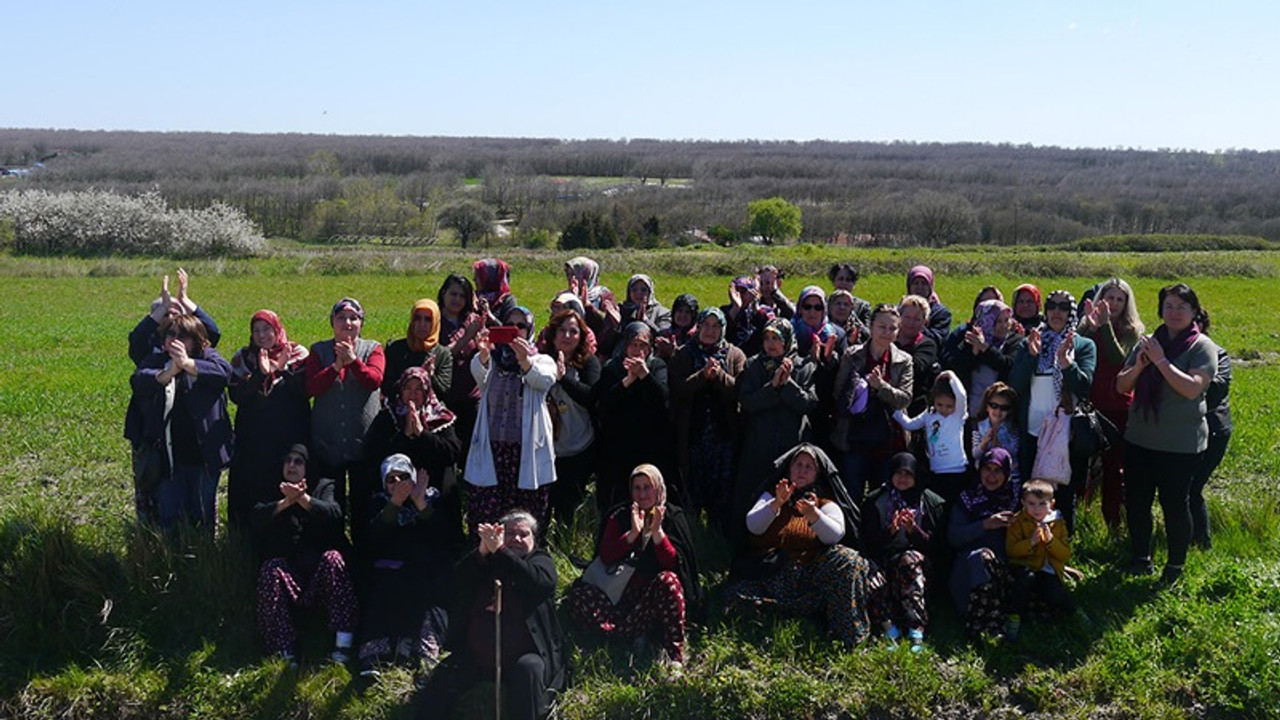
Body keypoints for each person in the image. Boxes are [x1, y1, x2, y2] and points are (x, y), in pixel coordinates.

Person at [414, 511, 565, 720]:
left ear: (534, 539)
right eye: (510, 533)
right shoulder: (484, 559)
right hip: (477, 654)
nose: (517, 539)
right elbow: (455, 584)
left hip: (523, 656)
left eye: (524, 534)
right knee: (443, 679)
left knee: (529, 671)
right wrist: (482, 553)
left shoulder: (540, 560)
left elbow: (539, 583)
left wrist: (501, 551)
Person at [1115, 284, 1218, 586]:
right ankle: (1140, 558)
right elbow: (1122, 386)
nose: (1174, 313)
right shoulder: (1148, 343)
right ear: (1161, 310)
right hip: (1140, 439)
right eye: (1169, 306)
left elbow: (1191, 388)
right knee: (1137, 502)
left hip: (1180, 445)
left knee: (1174, 505)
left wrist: (1160, 361)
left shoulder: (1201, 347)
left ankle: (1174, 567)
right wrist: (1141, 365)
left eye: (1181, 307)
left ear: (1194, 312)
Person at [730, 443, 873, 646]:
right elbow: (753, 526)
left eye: (809, 467)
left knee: (850, 559)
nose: (802, 470)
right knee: (737, 596)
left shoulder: (825, 502)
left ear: (817, 473)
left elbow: (835, 535)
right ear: (789, 468)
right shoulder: (772, 494)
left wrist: (814, 515)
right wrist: (777, 504)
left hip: (809, 578)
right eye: (798, 465)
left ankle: (848, 635)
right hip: (771, 574)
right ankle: (780, 611)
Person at [566, 465, 701, 664]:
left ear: (658, 489)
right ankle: (629, 633)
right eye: (637, 488)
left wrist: (657, 533)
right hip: (619, 596)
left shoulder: (673, 517)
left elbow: (675, 565)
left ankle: (673, 654)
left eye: (648, 487)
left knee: (669, 582)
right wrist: (632, 535)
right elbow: (606, 556)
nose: (642, 494)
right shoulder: (620, 515)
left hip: (654, 597)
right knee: (578, 597)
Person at [358, 454, 464, 674]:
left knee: (429, 597)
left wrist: (419, 501)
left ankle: (423, 654)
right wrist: (395, 503)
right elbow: (374, 539)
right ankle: (376, 654)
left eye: (403, 477)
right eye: (391, 479)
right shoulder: (378, 502)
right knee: (382, 591)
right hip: (388, 572)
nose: (398, 484)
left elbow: (444, 538)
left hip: (426, 572)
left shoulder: (432, 499)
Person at [251, 444, 356, 664]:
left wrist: (303, 499)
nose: (291, 465)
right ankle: (284, 647)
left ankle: (343, 644)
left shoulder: (324, 485)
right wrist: (286, 502)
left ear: (307, 466)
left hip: (320, 577)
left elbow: (334, 515)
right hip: (291, 577)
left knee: (334, 559)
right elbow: (256, 518)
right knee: (270, 569)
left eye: (298, 461)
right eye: (288, 460)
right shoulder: (274, 487)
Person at [127, 314, 234, 530]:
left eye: (183, 336)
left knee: (202, 514)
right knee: (170, 516)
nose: (175, 340)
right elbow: (139, 380)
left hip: (204, 457)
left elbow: (224, 373)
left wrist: (187, 365)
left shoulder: (208, 357)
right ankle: (172, 561)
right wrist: (168, 373)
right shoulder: (156, 360)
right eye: (171, 334)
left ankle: (205, 559)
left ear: (196, 340)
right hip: (169, 460)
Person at [1008, 289, 1096, 532]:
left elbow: (1085, 386)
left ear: (1071, 313)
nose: (1057, 312)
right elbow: (1015, 384)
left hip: (1064, 432)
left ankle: (1062, 542)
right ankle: (1028, 541)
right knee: (1031, 487)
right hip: (1033, 428)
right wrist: (1031, 356)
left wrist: (1066, 362)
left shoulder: (1083, 344)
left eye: (1063, 307)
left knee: (1063, 490)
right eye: (1052, 306)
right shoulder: (1033, 339)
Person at [465, 307, 558, 533]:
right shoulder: (493, 361)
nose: (516, 331)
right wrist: (485, 353)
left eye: (521, 326)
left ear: (530, 330)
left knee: (524, 513)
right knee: (488, 510)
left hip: (525, 451)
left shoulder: (542, 360)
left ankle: (524, 557)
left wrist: (524, 360)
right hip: (493, 449)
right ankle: (486, 554)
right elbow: (479, 374)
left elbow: (543, 380)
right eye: (510, 325)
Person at [305, 298, 384, 541]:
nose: (347, 323)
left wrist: (353, 362)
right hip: (328, 444)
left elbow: (374, 380)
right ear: (333, 323)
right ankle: (334, 557)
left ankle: (362, 558)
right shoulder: (319, 351)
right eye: (341, 318)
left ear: (361, 323)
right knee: (331, 506)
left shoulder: (373, 349)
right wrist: (335, 366)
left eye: (353, 318)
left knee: (364, 506)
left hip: (363, 443)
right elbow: (312, 387)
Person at [227, 310, 311, 530]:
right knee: (251, 489)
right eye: (256, 330)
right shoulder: (243, 358)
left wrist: (282, 370)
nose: (261, 335)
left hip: (288, 435)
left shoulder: (296, 354)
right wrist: (260, 375)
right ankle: (244, 541)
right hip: (253, 439)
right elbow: (236, 395)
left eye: (267, 329)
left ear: (277, 329)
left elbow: (305, 391)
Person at [734, 318, 819, 530]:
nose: (771, 344)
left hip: (791, 445)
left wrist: (788, 384)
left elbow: (808, 404)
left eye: (777, 339)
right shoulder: (754, 365)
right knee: (755, 495)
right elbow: (748, 402)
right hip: (758, 444)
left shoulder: (804, 366)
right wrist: (772, 387)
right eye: (767, 338)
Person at [1076, 278, 1144, 530]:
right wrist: (1088, 328)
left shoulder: (1131, 330)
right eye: (1109, 298)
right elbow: (1073, 349)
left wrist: (1104, 327)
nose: (1113, 304)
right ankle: (1078, 520)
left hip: (1117, 408)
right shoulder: (1088, 324)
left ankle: (1113, 523)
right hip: (1088, 406)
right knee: (1081, 466)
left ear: (1126, 303)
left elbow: (1120, 359)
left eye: (1119, 299)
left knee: (1114, 469)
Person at [670, 307, 746, 530]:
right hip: (693, 435)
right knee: (692, 489)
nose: (710, 331)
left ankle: (717, 535)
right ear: (698, 326)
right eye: (706, 325)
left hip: (724, 436)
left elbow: (740, 391)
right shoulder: (683, 354)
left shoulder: (735, 355)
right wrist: (702, 376)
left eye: (716, 326)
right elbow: (678, 390)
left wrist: (719, 376)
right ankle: (691, 534)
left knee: (722, 490)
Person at [861, 452, 945, 652]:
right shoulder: (876, 500)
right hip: (884, 558)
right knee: (868, 572)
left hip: (916, 564)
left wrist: (912, 530)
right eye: (898, 473)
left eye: (908, 474)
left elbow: (936, 546)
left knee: (908, 561)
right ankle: (889, 627)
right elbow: (868, 542)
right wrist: (890, 530)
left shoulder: (929, 502)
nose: (902, 478)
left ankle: (916, 628)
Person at [831, 304, 914, 502]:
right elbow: (837, 393)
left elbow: (905, 398)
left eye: (892, 328)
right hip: (855, 437)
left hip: (888, 440)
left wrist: (881, 386)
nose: (887, 332)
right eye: (882, 326)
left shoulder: (904, 360)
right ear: (871, 326)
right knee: (852, 494)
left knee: (883, 498)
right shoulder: (852, 355)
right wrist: (859, 389)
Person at [593, 321, 676, 514]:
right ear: (624, 345)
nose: (638, 350)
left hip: (649, 444)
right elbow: (604, 403)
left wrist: (644, 374)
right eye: (633, 344)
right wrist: (629, 380)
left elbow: (662, 399)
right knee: (617, 499)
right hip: (617, 445)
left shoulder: (657, 366)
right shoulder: (612, 369)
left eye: (643, 345)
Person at [538, 308, 601, 526]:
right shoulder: (542, 361)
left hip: (579, 446)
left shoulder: (588, 363)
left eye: (573, 332)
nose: (567, 336)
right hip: (548, 448)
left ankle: (565, 543)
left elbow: (591, 397)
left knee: (569, 506)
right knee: (545, 505)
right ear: (553, 334)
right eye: (562, 330)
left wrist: (564, 378)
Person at [364, 366, 464, 501]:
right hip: (396, 482)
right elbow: (375, 453)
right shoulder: (388, 415)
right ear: (401, 390)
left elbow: (453, 452)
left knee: (448, 477)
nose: (413, 394)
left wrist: (422, 434)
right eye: (408, 388)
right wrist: (405, 435)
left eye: (419, 389)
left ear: (427, 391)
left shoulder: (439, 416)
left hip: (431, 479)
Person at [948, 448, 1019, 638]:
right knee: (980, 557)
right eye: (987, 469)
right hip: (968, 571)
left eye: (998, 471)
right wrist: (986, 525)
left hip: (1005, 569)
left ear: (1007, 473)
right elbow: (953, 537)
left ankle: (984, 625)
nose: (991, 476)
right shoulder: (968, 498)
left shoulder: (1016, 499)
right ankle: (987, 627)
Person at [1003, 479, 1074, 642]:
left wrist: (1050, 542)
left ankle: (1074, 612)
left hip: (1047, 569)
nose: (1036, 509)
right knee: (1024, 580)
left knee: (1055, 594)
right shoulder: (1018, 521)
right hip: (1024, 566)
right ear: (1023, 503)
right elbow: (1011, 550)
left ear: (1052, 504)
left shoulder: (1058, 523)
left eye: (1042, 504)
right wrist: (1031, 543)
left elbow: (1065, 555)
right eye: (1031, 503)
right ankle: (1014, 617)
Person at [892, 370, 969, 503]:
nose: (944, 409)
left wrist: (951, 375)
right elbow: (910, 424)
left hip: (956, 469)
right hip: (937, 470)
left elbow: (962, 395)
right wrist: (894, 410)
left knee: (954, 505)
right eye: (940, 404)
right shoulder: (929, 415)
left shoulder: (957, 415)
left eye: (949, 406)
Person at [945, 298, 1023, 418]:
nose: (1004, 326)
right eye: (998, 322)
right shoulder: (971, 340)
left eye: (1006, 320)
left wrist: (985, 348)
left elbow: (1008, 365)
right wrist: (974, 353)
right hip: (970, 410)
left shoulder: (1014, 341)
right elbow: (958, 369)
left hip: (1001, 412)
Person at [128, 268, 221, 366]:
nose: (170, 318)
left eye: (175, 314)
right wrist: (164, 306)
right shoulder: (149, 342)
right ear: (155, 318)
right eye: (165, 315)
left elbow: (212, 332)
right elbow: (137, 338)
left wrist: (184, 299)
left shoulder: (192, 340)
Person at [437, 273, 485, 456]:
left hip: (472, 395)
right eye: (453, 294)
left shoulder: (472, 319)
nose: (457, 299)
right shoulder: (434, 320)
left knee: (471, 447)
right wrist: (467, 337)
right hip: (446, 396)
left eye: (462, 296)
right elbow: (441, 354)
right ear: (443, 294)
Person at [1191, 340, 1231, 550]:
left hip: (1213, 430)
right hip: (1180, 430)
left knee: (1192, 488)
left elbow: (1216, 390)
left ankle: (1201, 544)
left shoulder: (1217, 354)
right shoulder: (1168, 351)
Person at [382, 298, 453, 401]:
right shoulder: (395, 348)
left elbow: (444, 392)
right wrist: (412, 377)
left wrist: (430, 376)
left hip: (431, 413)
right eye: (417, 318)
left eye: (428, 320)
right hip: (398, 410)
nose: (422, 324)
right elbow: (386, 388)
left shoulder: (443, 354)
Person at [896, 295, 940, 419]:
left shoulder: (928, 345)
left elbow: (917, 367)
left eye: (916, 319)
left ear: (925, 322)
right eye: (907, 317)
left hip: (914, 407)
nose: (911, 323)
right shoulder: (889, 339)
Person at [971, 382, 1022, 482]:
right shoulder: (979, 426)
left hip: (1010, 477)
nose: (998, 411)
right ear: (987, 407)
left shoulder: (1012, 428)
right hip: (985, 478)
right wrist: (984, 443)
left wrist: (1000, 446)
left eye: (1004, 408)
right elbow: (975, 454)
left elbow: (1015, 451)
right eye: (994, 406)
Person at [906, 265, 952, 345]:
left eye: (924, 283)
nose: (919, 287)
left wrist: (917, 328)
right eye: (916, 283)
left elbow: (939, 338)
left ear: (930, 287)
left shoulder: (941, 313)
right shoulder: (900, 309)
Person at [827, 262, 872, 332]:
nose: (844, 283)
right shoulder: (823, 304)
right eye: (840, 279)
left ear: (854, 284)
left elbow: (869, 334)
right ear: (833, 281)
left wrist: (852, 314)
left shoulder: (863, 307)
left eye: (848, 280)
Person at [474, 258, 519, 326]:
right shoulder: (474, 297)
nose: (474, 279)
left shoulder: (507, 301)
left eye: (478, 276)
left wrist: (489, 315)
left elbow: (510, 331)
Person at [655, 292, 698, 360]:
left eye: (687, 312)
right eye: (680, 311)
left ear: (693, 315)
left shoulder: (697, 337)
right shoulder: (664, 334)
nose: (683, 315)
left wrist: (675, 351)